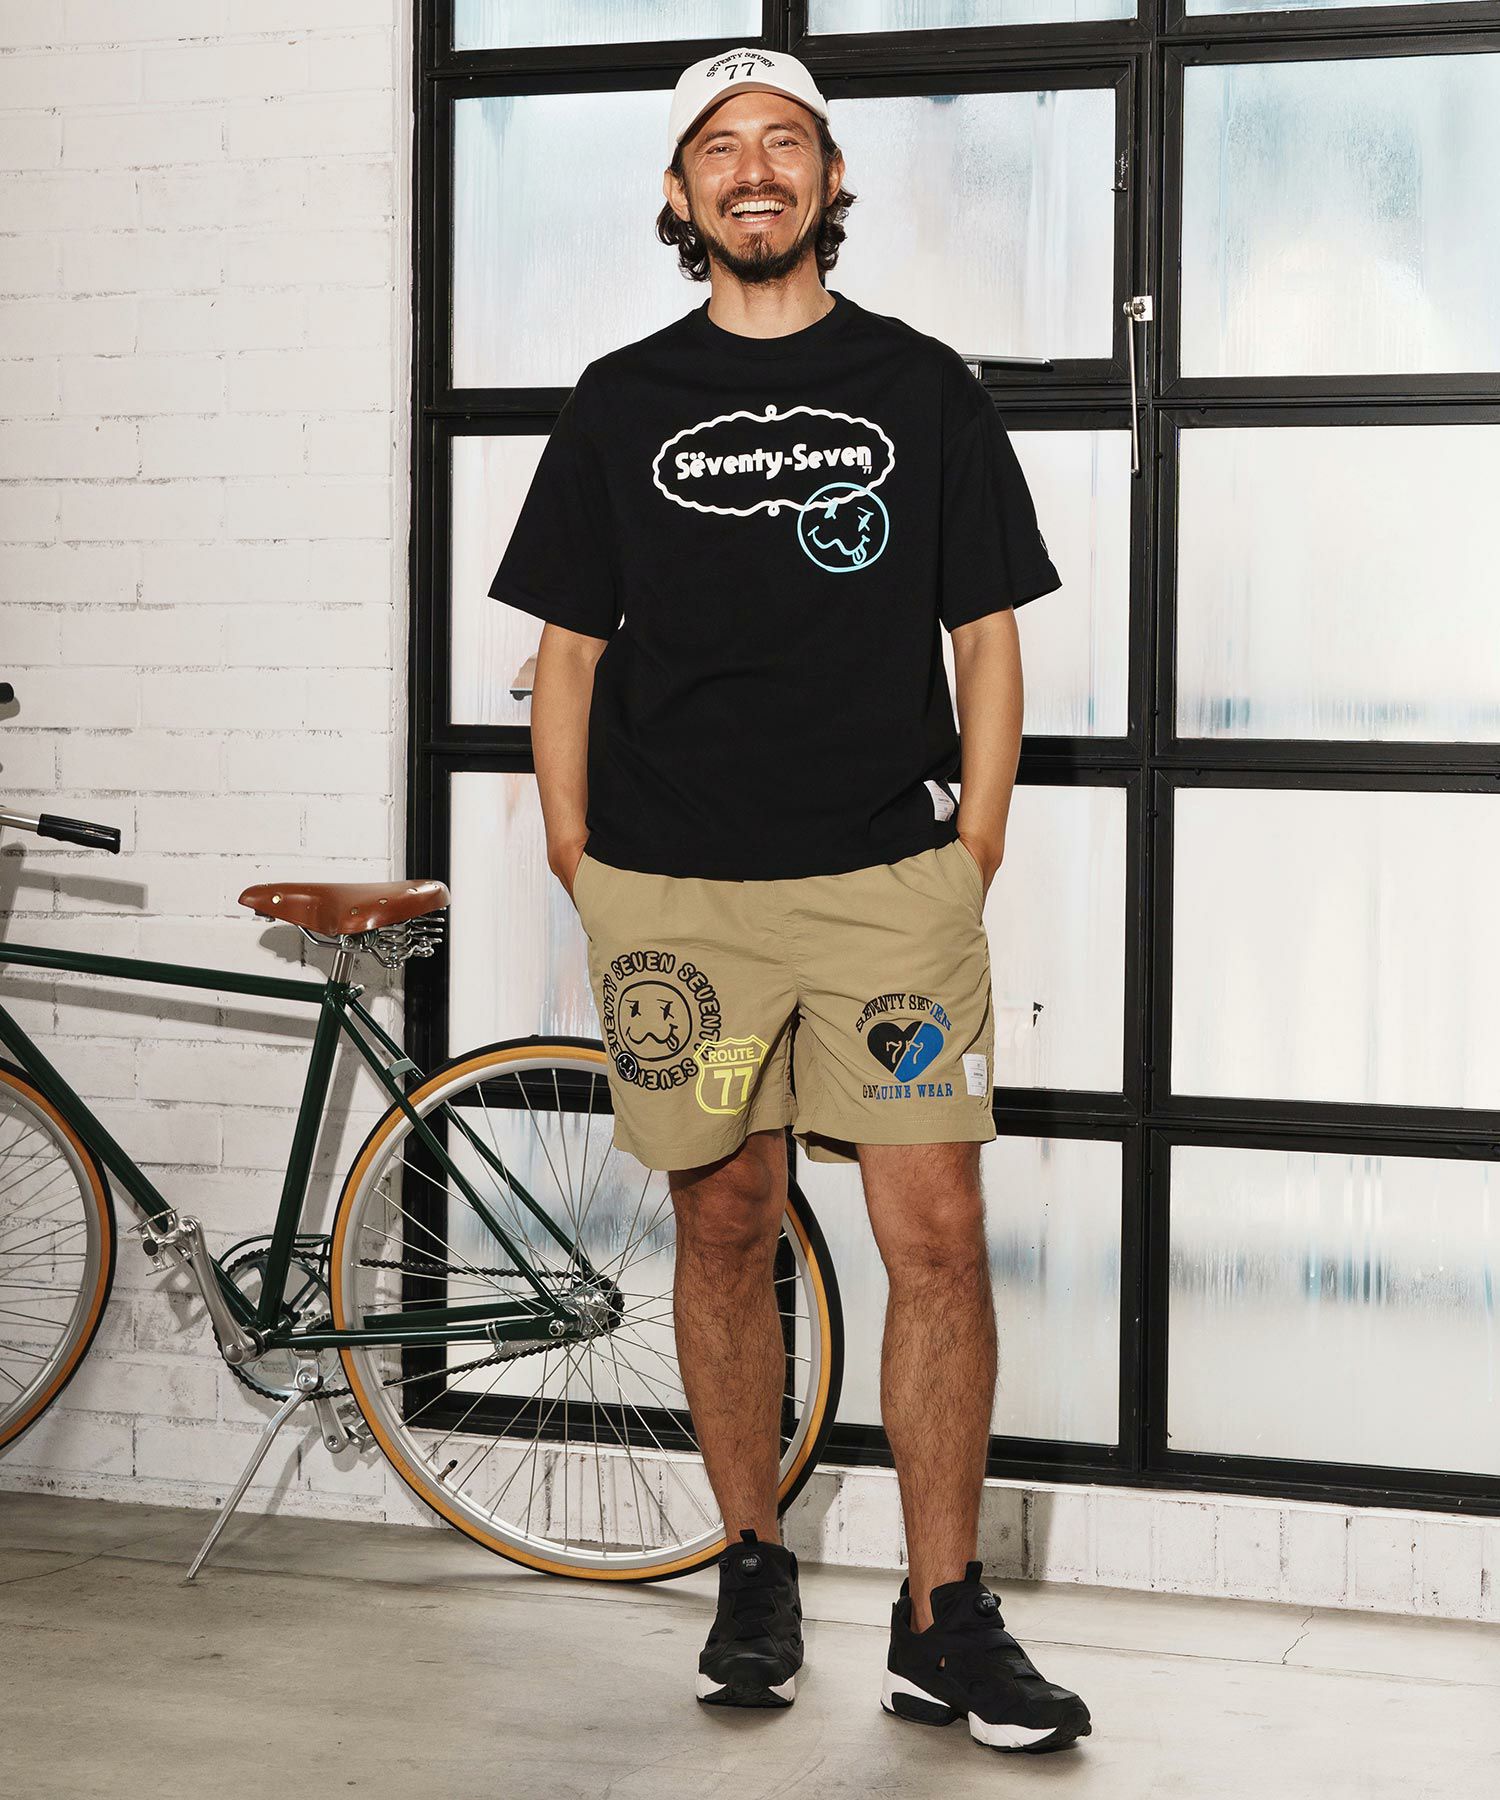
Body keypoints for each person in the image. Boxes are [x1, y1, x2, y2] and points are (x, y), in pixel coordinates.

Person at [489, 44, 1091, 1757]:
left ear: (830, 183)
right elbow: (567, 650)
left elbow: (987, 634)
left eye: (784, 142)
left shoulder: (921, 387)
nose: (753, 170)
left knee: (938, 1237)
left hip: (884, 889)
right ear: (680, 197)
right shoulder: (620, 399)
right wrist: (577, 855)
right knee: (725, 1222)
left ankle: (943, 1615)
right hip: (674, 894)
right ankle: (752, 1566)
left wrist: (973, 846)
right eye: (720, 148)